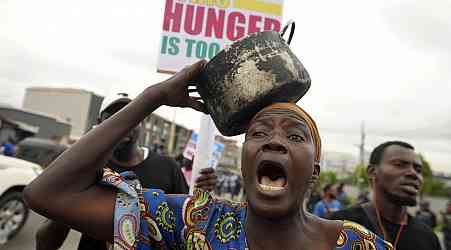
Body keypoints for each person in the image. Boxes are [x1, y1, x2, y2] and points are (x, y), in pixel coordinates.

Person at [24, 60, 391, 250]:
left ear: (314, 172)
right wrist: (151, 98)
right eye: (258, 133)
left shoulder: (360, 244)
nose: (273, 142)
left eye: (295, 135)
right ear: (245, 162)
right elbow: (48, 195)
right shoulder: (194, 223)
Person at [34, 95, 217, 250]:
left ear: (142, 123)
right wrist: (68, 200)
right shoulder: (88, 169)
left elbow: (185, 222)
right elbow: (45, 244)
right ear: (100, 125)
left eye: (130, 116)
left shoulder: (167, 167)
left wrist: (200, 193)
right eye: (114, 118)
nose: (123, 124)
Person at [329, 141, 442, 250]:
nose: (413, 174)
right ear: (372, 171)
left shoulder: (428, 238)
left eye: (418, 170)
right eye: (399, 164)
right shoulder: (339, 225)